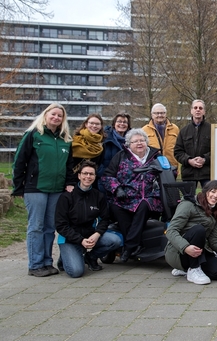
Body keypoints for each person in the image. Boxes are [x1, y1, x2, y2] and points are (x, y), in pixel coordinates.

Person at [12, 103, 76, 277]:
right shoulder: (33, 135)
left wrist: (69, 182)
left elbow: (69, 165)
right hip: (35, 188)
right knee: (36, 226)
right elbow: (19, 161)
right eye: (53, 114)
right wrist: (18, 187)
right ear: (46, 115)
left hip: (56, 189)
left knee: (50, 227)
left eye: (60, 116)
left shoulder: (65, 139)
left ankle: (47, 262)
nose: (56, 118)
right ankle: (35, 264)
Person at [165, 180, 217, 285]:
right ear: (205, 191)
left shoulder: (215, 211)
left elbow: (214, 242)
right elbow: (171, 231)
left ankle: (185, 269)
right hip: (178, 252)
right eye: (212, 191)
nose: (215, 196)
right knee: (199, 229)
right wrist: (186, 247)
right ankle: (193, 269)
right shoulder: (188, 204)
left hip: (199, 252)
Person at [101, 129, 164, 262]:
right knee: (116, 207)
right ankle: (136, 245)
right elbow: (107, 176)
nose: (139, 143)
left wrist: (157, 191)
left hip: (150, 197)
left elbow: (169, 174)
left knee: (143, 205)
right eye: (135, 141)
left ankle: (129, 247)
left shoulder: (156, 157)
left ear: (146, 142)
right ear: (129, 144)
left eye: (142, 140)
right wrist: (117, 189)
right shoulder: (121, 156)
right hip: (126, 197)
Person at [55, 161, 121, 278]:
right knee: (76, 272)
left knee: (116, 240)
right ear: (79, 175)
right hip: (70, 238)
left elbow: (105, 219)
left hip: (90, 235)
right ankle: (65, 257)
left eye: (91, 174)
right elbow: (61, 225)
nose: (88, 177)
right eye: (85, 173)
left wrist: (96, 234)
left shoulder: (98, 196)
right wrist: (80, 240)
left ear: (95, 177)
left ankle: (90, 257)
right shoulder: (66, 197)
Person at [174, 99, 211, 188]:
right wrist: (189, 160)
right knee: (188, 200)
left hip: (207, 174)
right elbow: (178, 152)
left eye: (200, 108)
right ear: (191, 111)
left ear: (204, 111)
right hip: (188, 174)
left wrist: (205, 159)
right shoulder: (184, 131)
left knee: (209, 200)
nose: (198, 110)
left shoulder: (211, 130)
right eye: (195, 108)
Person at [142, 103, 180, 174]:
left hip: (171, 167)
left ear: (166, 114)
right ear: (152, 115)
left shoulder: (175, 129)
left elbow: (179, 148)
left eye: (162, 113)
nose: (159, 115)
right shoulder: (144, 130)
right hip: (153, 168)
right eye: (157, 113)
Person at [98, 112, 131, 182]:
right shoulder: (104, 138)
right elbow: (98, 161)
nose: (122, 124)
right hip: (106, 179)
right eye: (119, 121)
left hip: (126, 180)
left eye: (125, 122)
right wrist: (103, 174)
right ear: (114, 124)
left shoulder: (132, 141)